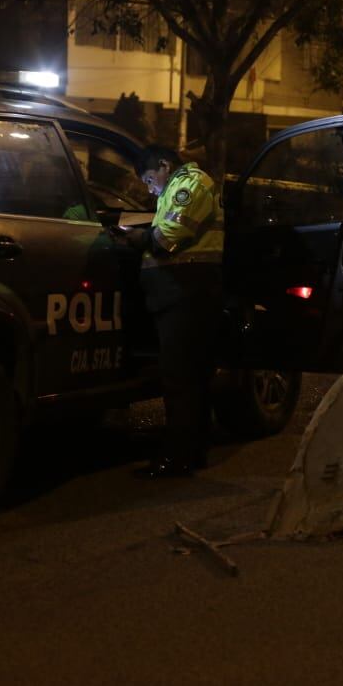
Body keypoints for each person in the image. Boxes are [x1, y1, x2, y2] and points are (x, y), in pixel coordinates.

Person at [123, 145, 225, 478]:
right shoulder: (177, 187)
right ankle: (193, 451)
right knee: (192, 375)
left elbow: (167, 237)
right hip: (184, 293)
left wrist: (137, 238)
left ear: (165, 166)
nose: (150, 189)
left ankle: (176, 457)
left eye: (150, 179)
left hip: (187, 294)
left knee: (180, 376)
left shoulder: (190, 184)